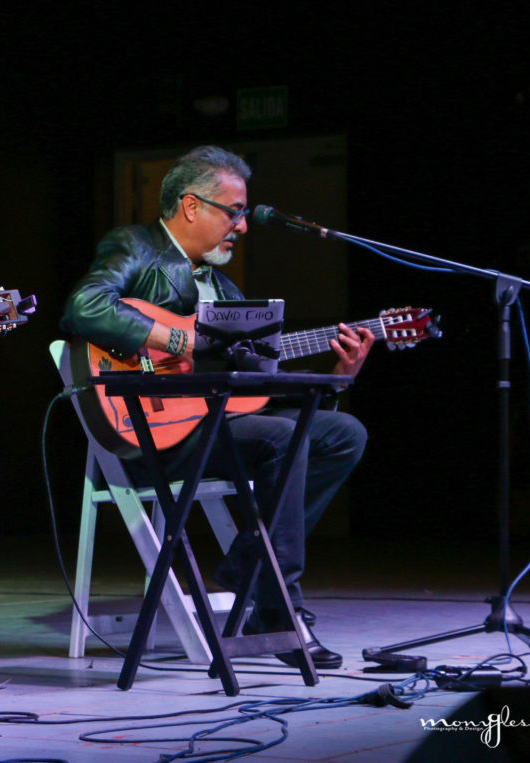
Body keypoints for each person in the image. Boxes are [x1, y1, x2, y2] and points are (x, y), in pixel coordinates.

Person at [60, 145, 374, 669]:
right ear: (191, 206)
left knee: (342, 433)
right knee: (279, 438)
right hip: (153, 430)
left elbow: (257, 386)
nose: (243, 226)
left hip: (217, 423)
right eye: (235, 211)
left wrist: (338, 375)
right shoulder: (135, 246)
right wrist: (180, 343)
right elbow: (85, 307)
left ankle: (247, 570)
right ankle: (280, 608)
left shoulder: (224, 287)